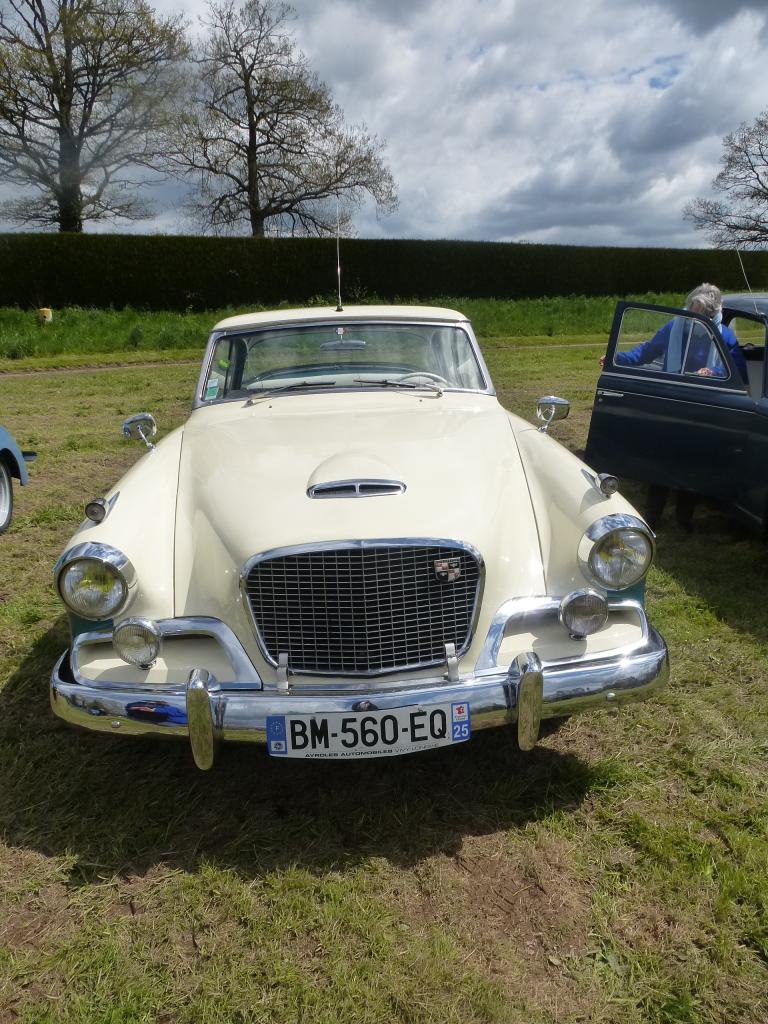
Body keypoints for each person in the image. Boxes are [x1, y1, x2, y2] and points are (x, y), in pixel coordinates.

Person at [602, 283, 748, 382]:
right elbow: (646, 352)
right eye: (692, 308)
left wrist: (713, 372)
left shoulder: (725, 336)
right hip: (674, 388)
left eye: (700, 312)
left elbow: (739, 371)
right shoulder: (674, 326)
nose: (693, 315)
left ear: (711, 314)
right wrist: (615, 358)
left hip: (711, 395)